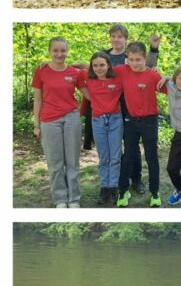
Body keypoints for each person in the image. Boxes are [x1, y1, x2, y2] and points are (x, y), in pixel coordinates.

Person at [32, 37, 86, 208]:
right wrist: (36, 124)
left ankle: (74, 199)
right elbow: (38, 100)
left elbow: (90, 93)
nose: (59, 54)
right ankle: (60, 199)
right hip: (49, 120)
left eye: (62, 50)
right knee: (55, 163)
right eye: (55, 50)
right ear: (49, 51)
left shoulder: (74, 73)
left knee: (72, 161)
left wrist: (85, 66)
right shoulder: (41, 71)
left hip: (71, 118)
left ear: (67, 51)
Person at [114, 42, 164, 207]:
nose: (134, 63)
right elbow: (96, 68)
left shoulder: (153, 75)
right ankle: (123, 192)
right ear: (127, 58)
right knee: (128, 156)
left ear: (145, 58)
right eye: (131, 59)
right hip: (131, 121)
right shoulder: (122, 70)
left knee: (151, 158)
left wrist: (167, 77)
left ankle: (155, 193)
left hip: (150, 121)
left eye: (138, 60)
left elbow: (176, 86)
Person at [80, 52, 124, 206]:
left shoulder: (118, 77)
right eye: (95, 65)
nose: (99, 68)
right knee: (103, 157)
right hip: (97, 121)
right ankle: (104, 188)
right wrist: (47, 63)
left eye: (102, 65)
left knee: (115, 156)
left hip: (115, 120)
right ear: (92, 67)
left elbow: (137, 69)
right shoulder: (89, 79)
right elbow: (71, 69)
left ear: (108, 65)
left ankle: (113, 188)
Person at [159, 63, 181, 207]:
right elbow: (150, 72)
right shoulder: (170, 86)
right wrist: (166, 77)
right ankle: (180, 189)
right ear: (175, 78)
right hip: (179, 133)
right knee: (172, 168)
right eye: (180, 78)